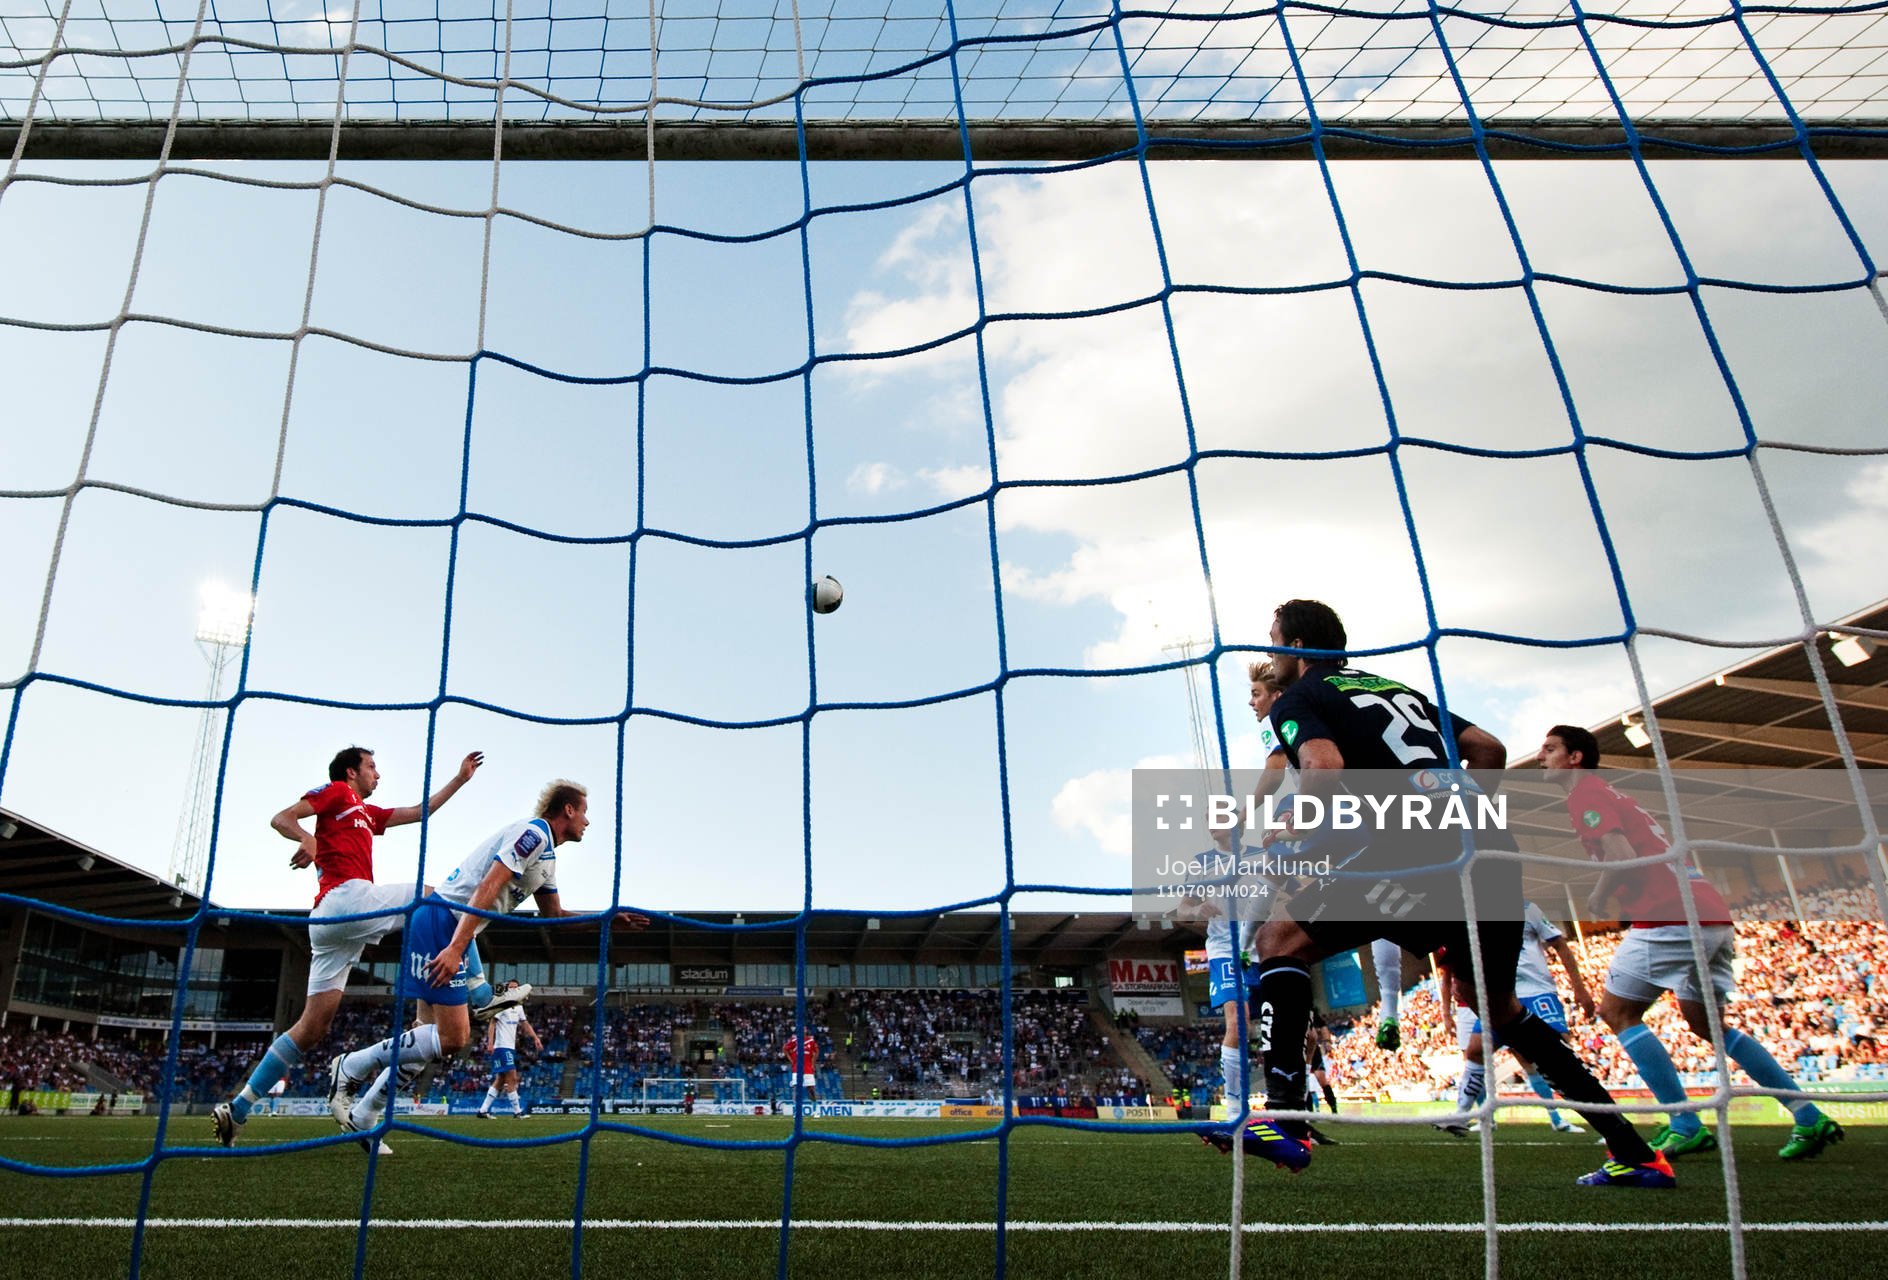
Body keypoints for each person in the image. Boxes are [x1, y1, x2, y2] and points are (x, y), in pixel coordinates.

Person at [1228, 600, 1669, 1187]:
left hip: (1414, 850)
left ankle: (1286, 1119)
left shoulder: (1300, 698)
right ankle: (1636, 1152)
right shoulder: (1394, 687)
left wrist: (1299, 822)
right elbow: (1487, 748)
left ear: (1298, 646)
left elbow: (1324, 767)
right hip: (1488, 849)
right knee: (1496, 1006)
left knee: (1278, 940)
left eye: (1274, 639)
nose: (1270, 652)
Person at [1541, 725, 1845, 1162]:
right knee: (1708, 1026)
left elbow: (1624, 857)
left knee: (1617, 1012)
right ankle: (1808, 1115)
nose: (1541, 757)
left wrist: (1599, 896)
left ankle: (1684, 1123)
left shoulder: (1585, 793)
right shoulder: (1610, 793)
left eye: (1550, 749)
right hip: (1709, 912)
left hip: (1670, 914)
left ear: (1576, 758)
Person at [325, 779, 648, 1141]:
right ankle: (351, 1065)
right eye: (584, 812)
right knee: (453, 1038)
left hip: (452, 925)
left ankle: (364, 1116)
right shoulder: (534, 834)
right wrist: (455, 947)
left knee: (424, 1038)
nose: (587, 822)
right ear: (568, 810)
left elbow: (554, 916)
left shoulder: (547, 859)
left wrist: (607, 920)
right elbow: (489, 886)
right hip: (444, 921)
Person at [211, 745, 484, 1148]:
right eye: (372, 766)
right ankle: (481, 991)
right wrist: (308, 838)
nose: (378, 774)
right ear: (351, 772)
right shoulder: (338, 792)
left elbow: (419, 812)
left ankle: (237, 1108)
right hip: (343, 900)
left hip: (334, 924)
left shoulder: (366, 813)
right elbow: (281, 818)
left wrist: (459, 779)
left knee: (311, 1028)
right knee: (436, 899)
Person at [1436, 901, 1593, 1136]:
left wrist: (1579, 987)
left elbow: (1560, 945)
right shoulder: (1476, 914)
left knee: (1559, 1055)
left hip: (1537, 992)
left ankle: (1605, 1121)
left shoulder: (1528, 909)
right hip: (1502, 995)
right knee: (1475, 1051)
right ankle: (1462, 1114)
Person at [477, 983, 540, 1118]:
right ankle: (517, 1112)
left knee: (500, 1079)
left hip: (509, 1047)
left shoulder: (519, 1007)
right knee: (512, 1077)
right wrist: (490, 1043)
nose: (513, 989)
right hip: (502, 1046)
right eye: (511, 987)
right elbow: (492, 1023)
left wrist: (535, 1038)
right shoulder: (502, 1004)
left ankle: (483, 1110)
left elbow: (525, 1024)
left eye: (515, 987)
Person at [785, 1030, 820, 1106]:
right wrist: (792, 1061)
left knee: (811, 1089)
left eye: (804, 1029)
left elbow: (817, 1052)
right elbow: (785, 1049)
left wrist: (812, 1063)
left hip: (808, 1068)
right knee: (796, 1088)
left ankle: (814, 1105)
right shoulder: (794, 1041)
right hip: (797, 1069)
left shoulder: (811, 1041)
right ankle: (795, 1107)